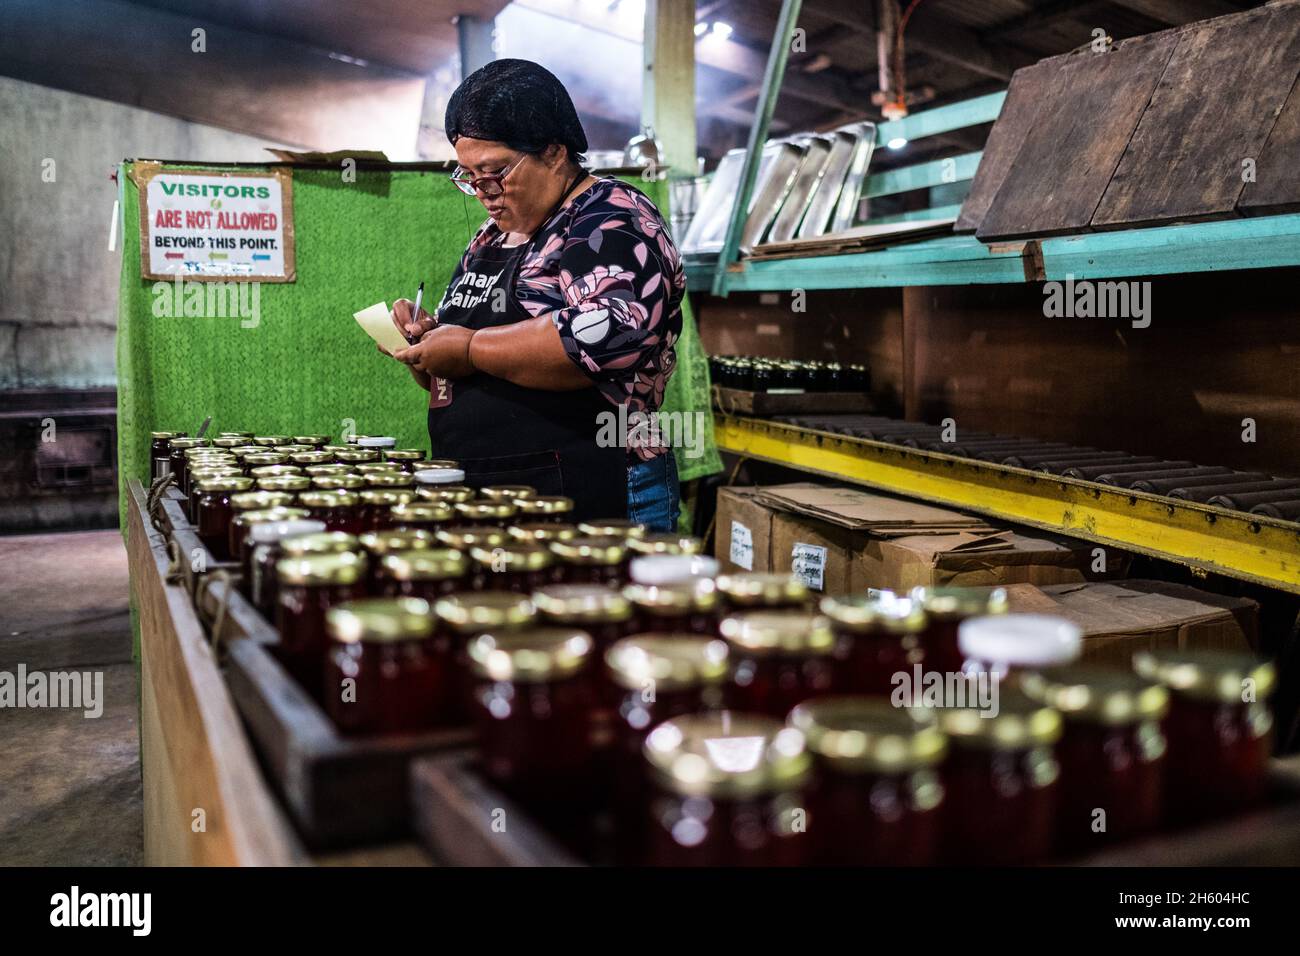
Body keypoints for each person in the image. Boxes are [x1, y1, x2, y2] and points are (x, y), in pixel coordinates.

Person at [387, 59, 684, 529]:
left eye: (495, 172)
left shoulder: (609, 216)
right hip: (499, 494)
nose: (483, 192)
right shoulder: (491, 236)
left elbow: (607, 336)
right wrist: (429, 349)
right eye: (468, 176)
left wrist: (467, 347)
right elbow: (464, 374)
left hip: (594, 487)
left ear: (553, 151)